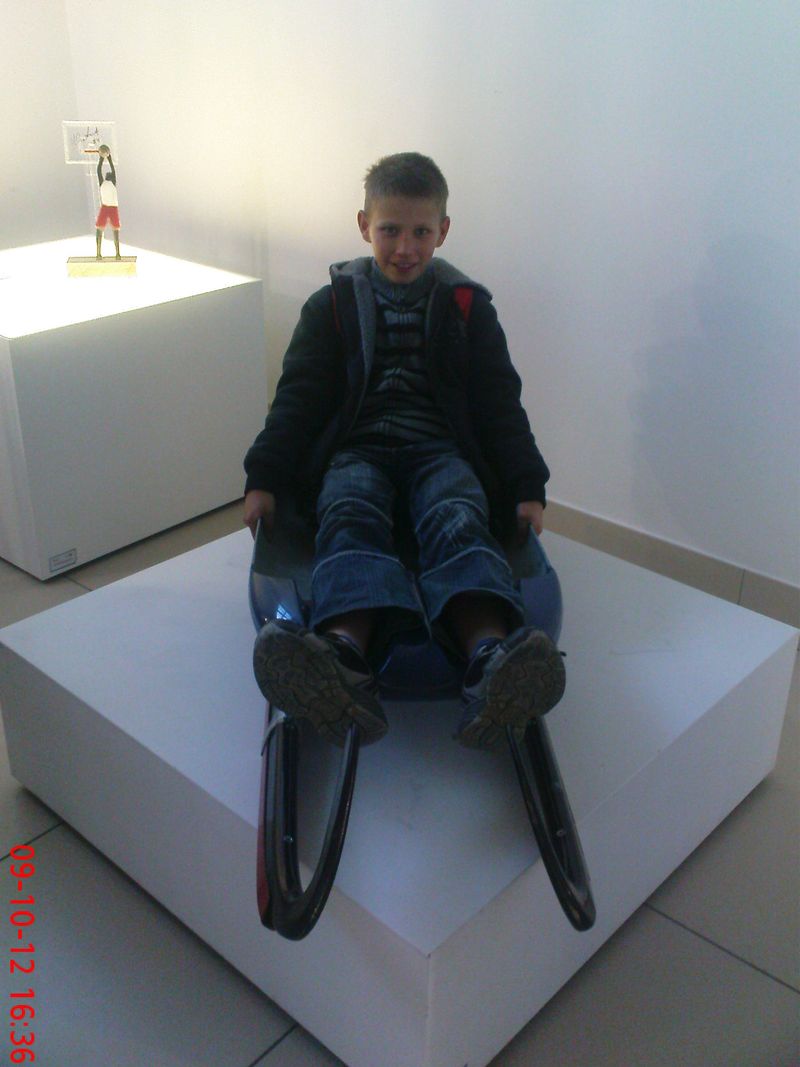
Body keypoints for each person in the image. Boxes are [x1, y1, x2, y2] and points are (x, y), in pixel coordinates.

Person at [243, 152, 565, 750]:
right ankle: (341, 658)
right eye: (390, 230)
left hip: (439, 450)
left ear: (443, 231)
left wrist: (526, 484)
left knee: (457, 516)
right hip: (357, 451)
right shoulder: (331, 306)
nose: (405, 248)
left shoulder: (468, 308)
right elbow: (298, 400)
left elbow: (499, 401)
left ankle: (491, 657)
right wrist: (264, 475)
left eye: (421, 232)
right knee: (350, 515)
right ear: (364, 225)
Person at [95, 145, 122, 260]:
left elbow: (104, 170)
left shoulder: (110, 182)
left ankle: (117, 253)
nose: (108, 174)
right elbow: (99, 170)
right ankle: (99, 253)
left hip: (111, 208)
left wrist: (107, 158)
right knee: (100, 229)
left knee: (115, 230)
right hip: (106, 207)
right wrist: (103, 158)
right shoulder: (105, 182)